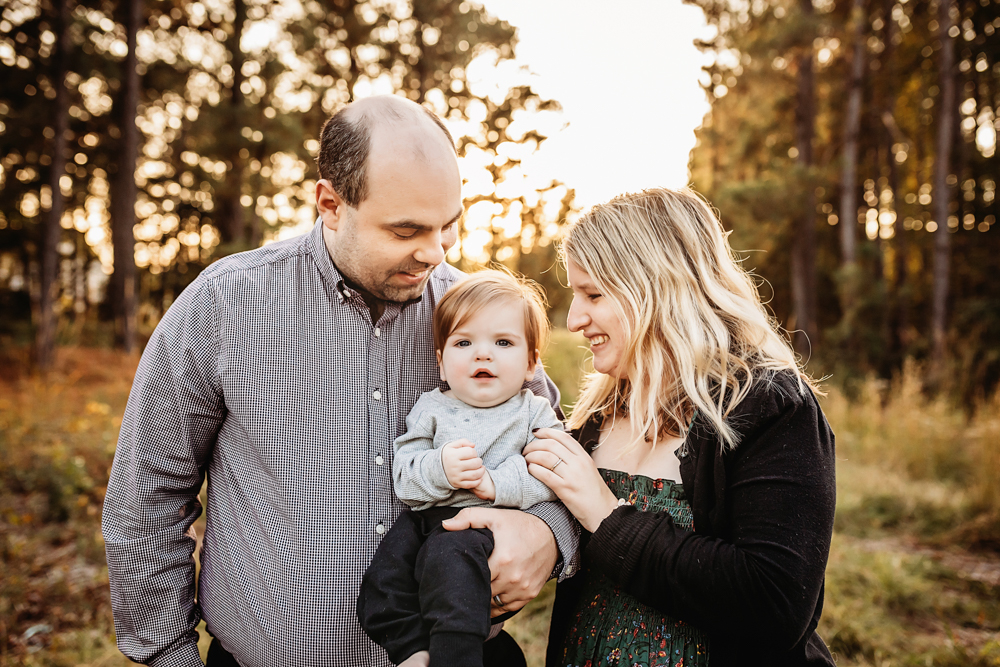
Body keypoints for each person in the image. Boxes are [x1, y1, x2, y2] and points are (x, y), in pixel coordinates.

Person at [101, 96, 578, 667]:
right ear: (330, 203)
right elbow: (146, 495)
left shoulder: (474, 316)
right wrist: (168, 657)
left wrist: (549, 536)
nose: (433, 252)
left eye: (447, 226)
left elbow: (560, 454)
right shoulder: (226, 304)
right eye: (406, 230)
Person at [523, 187, 837, 667]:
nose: (575, 318)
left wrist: (607, 516)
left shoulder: (770, 406)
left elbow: (774, 603)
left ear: (656, 287)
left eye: (592, 294)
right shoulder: (595, 416)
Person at [357, 270, 563, 667]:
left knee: (453, 572)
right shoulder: (432, 407)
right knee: (383, 581)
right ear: (441, 361)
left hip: (484, 527)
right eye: (464, 342)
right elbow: (406, 473)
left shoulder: (531, 411)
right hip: (425, 518)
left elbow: (552, 471)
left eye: (503, 342)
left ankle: (456, 656)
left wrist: (496, 483)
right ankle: (411, 651)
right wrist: (441, 469)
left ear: (531, 363)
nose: (482, 354)